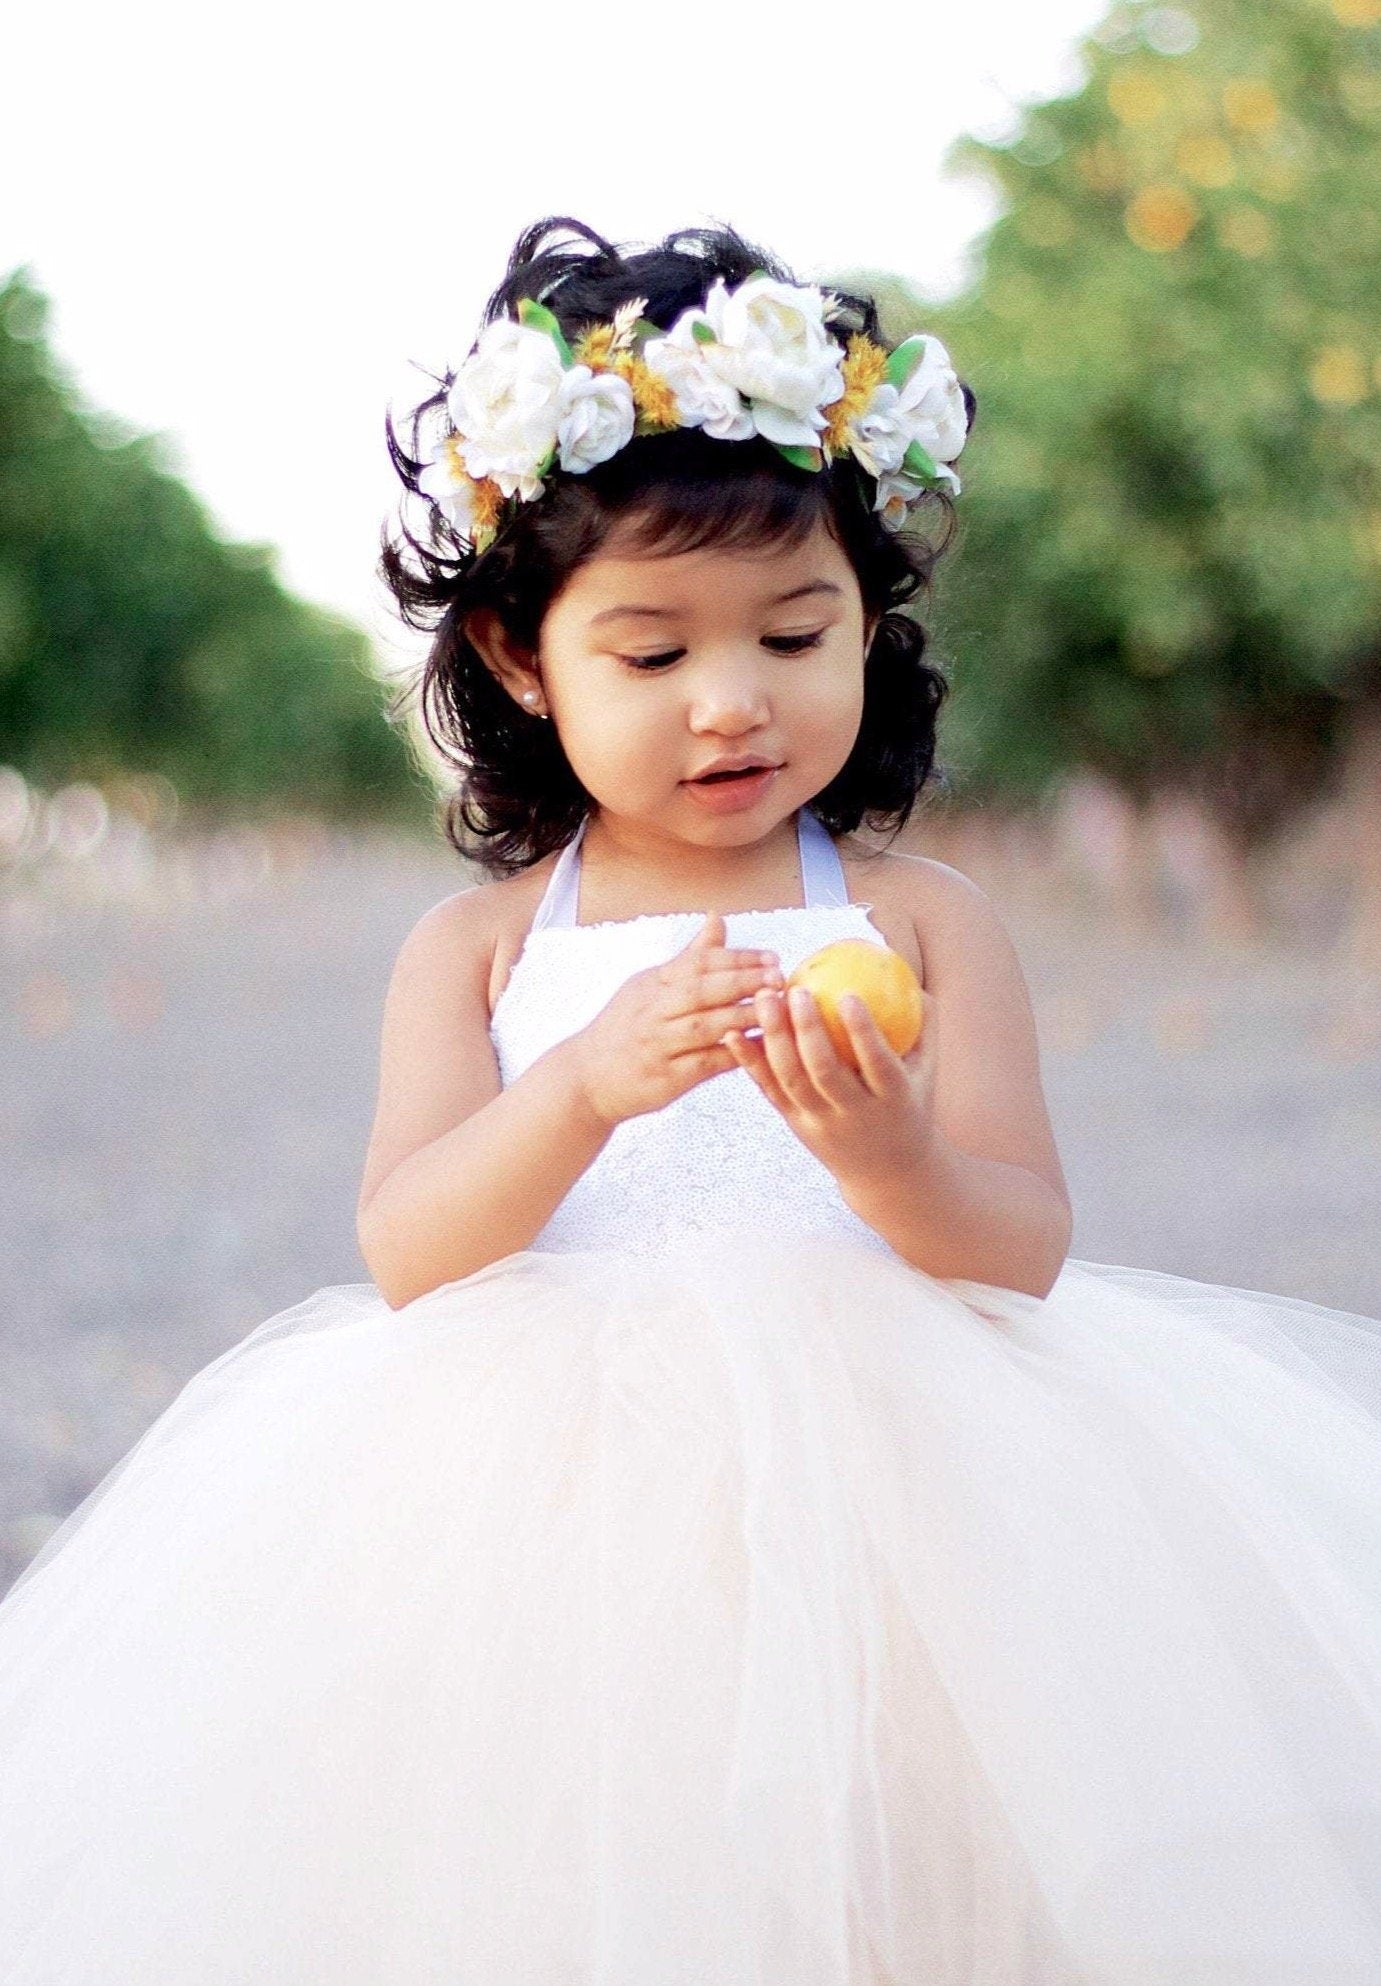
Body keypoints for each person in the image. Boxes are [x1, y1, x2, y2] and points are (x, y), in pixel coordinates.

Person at [1, 214, 1379, 1986]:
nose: (732, 703)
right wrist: (583, 1083)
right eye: (650, 656)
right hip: (542, 1509)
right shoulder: (481, 949)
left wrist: (887, 1156)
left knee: (908, 1870)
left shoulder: (917, 922)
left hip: (899, 1495)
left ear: (864, 629)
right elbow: (412, 1244)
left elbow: (1021, 1245)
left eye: (795, 634)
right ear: (518, 655)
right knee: (566, 1873)